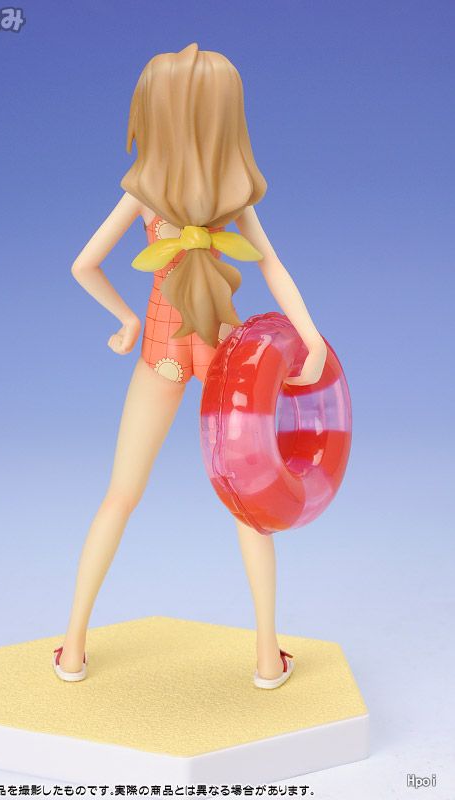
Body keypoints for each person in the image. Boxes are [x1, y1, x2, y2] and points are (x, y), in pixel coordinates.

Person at [52, 43, 327, 687]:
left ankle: (72, 651)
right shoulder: (232, 197)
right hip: (227, 357)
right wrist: (310, 339)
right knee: (248, 505)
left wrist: (126, 319)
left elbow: (83, 265)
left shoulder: (146, 194)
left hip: (161, 351)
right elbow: (273, 266)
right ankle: (267, 659)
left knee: (120, 496)